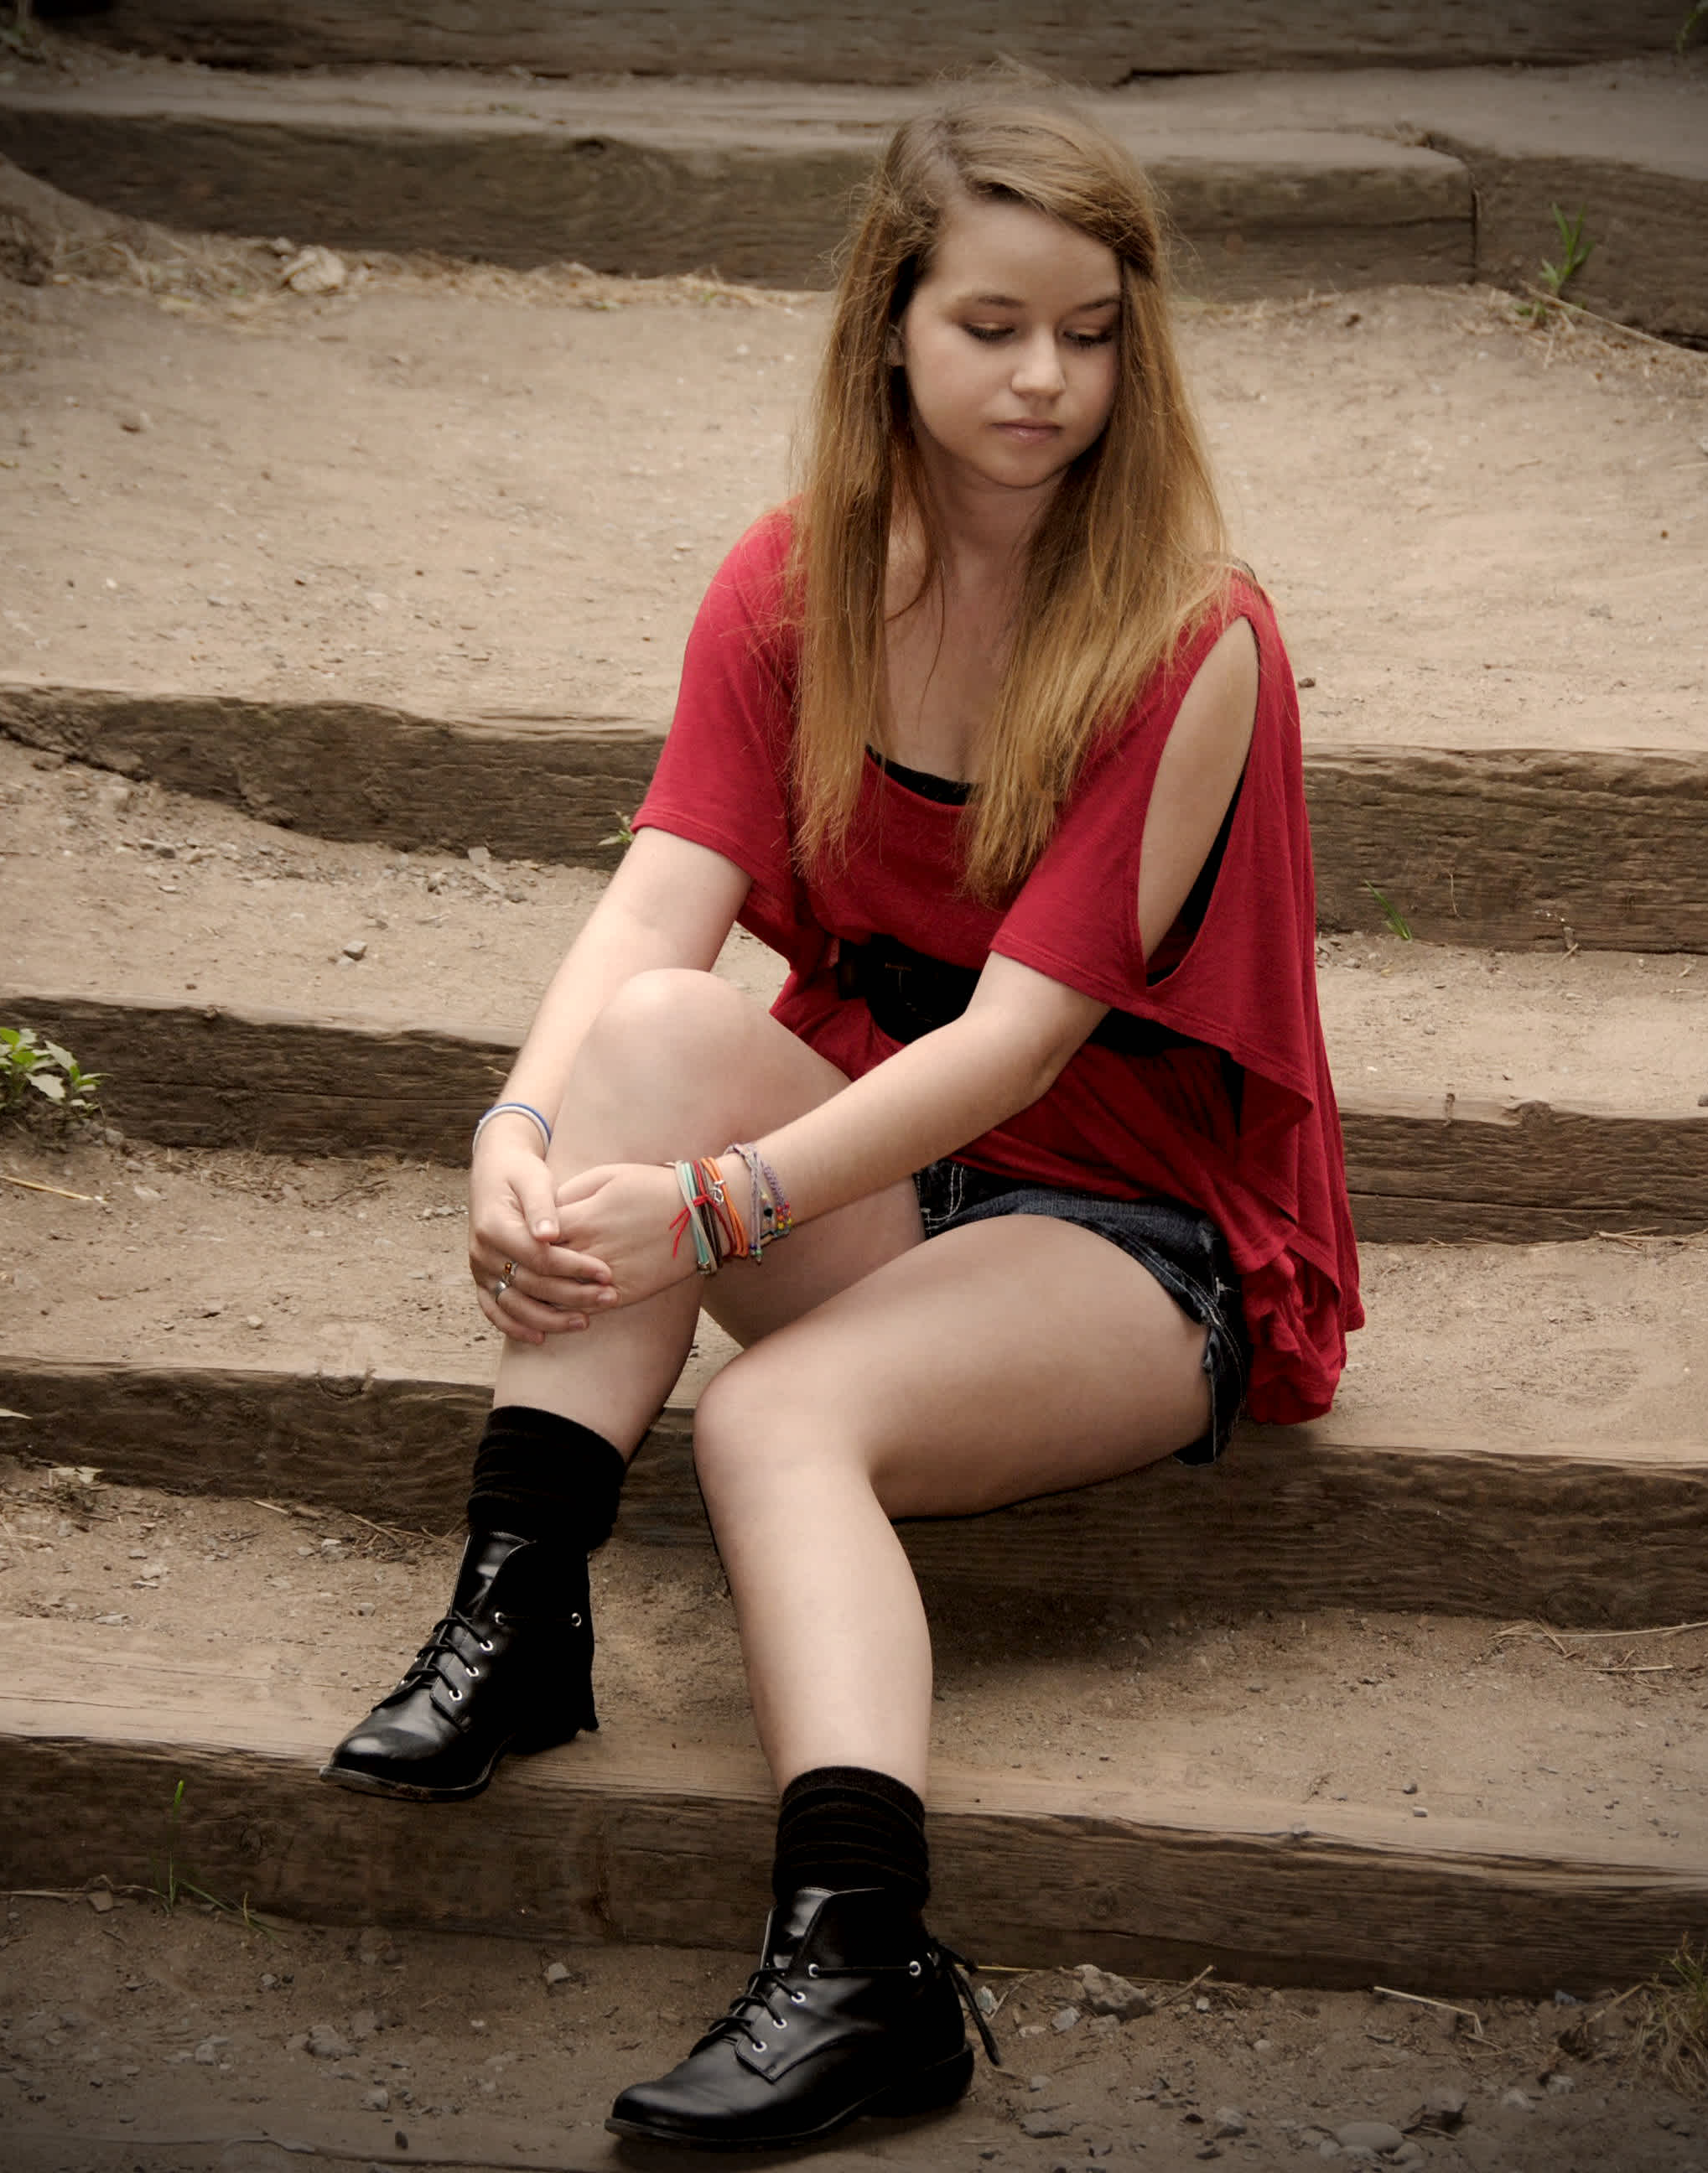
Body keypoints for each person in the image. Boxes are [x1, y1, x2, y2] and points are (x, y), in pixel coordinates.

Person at [319, 92, 1362, 2150]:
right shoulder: (791, 583)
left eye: (1087, 330)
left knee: (782, 1422)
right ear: (889, 325)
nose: (1043, 380)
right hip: (891, 1180)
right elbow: (662, 893)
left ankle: (868, 1970)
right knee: (637, 1024)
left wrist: (708, 1206)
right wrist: (513, 1131)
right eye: (990, 326)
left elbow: (1023, 1044)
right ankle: (520, 1608)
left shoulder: (1190, 634)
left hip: (1127, 1233)